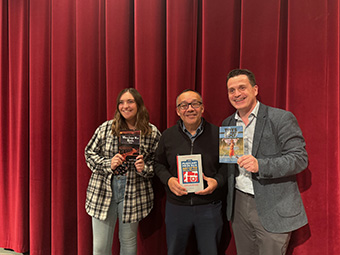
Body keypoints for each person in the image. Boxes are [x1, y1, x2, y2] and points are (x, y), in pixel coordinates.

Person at [222, 69, 308, 255]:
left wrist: (261, 165)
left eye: (242, 88)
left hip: (273, 206)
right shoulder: (228, 124)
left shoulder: (280, 118)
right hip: (239, 204)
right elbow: (228, 165)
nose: (237, 94)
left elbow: (299, 159)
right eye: (231, 90)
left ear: (255, 89)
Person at [85, 88, 161, 255]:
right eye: (121, 102)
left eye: (130, 101)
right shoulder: (106, 128)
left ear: (139, 105)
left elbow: (158, 164)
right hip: (104, 190)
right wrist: (108, 163)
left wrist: (144, 168)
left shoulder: (151, 132)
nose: (125, 106)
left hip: (134, 192)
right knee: (100, 247)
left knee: (128, 242)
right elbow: (88, 153)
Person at [155, 89, 227, 255]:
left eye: (195, 104)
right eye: (184, 105)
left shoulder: (219, 134)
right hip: (177, 207)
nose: (190, 109)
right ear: (178, 111)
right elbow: (158, 164)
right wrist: (169, 180)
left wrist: (217, 181)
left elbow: (228, 166)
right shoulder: (167, 136)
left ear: (202, 108)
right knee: (174, 251)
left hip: (210, 206)